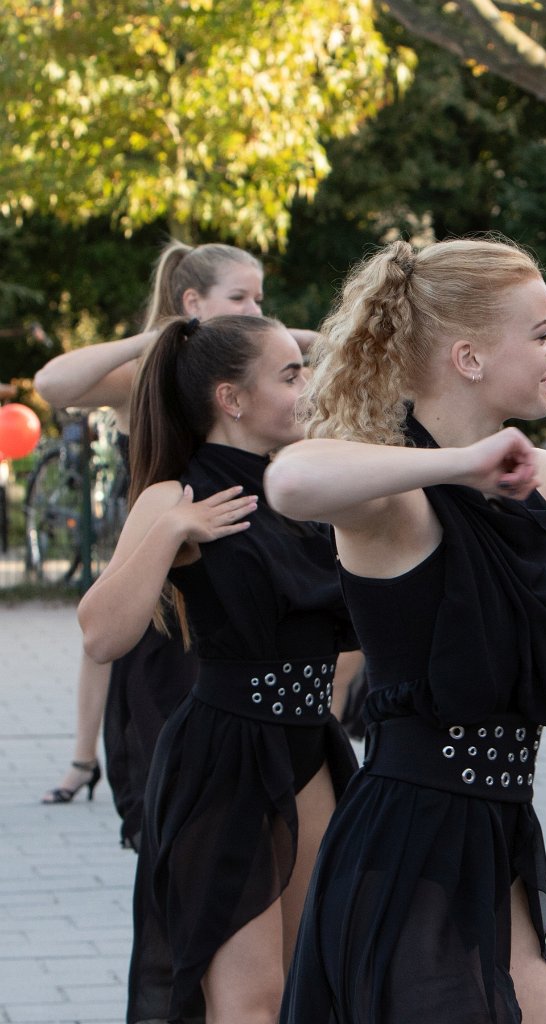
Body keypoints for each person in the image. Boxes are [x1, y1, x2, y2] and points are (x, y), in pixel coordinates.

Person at [264, 236, 546, 1024]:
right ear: (468, 358)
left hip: (494, 831)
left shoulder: (520, 477)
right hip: (412, 842)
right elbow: (289, 480)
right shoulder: (398, 499)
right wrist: (456, 466)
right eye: (539, 332)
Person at [77, 312, 360, 1023]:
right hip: (225, 758)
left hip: (309, 749)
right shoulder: (174, 496)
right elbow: (101, 633)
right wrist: (171, 530)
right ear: (232, 399)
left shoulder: (302, 489)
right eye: (290, 373)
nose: (308, 386)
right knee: (248, 1001)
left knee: (312, 985)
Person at [35, 239, 321, 841]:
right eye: (238, 296)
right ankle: (91, 761)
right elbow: (53, 383)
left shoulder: (274, 407)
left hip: (286, 699)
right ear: (193, 301)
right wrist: (163, 335)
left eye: (258, 298)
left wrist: (276, 339)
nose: (250, 307)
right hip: (176, 565)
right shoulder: (154, 375)